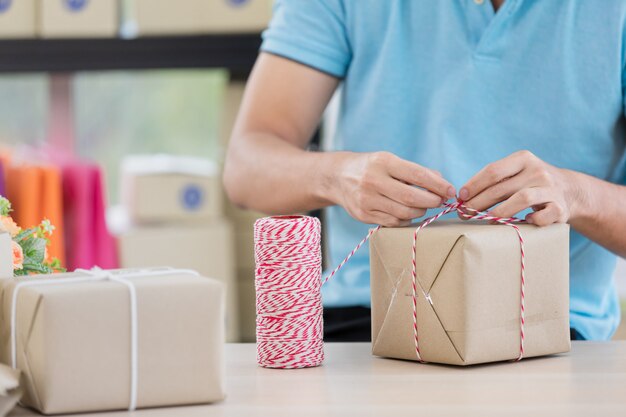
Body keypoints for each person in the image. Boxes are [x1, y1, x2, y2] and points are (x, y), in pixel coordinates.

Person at [224, 0, 626, 342]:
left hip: (547, 328)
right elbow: (245, 167)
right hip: (368, 320)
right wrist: (339, 175)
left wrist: (578, 196)